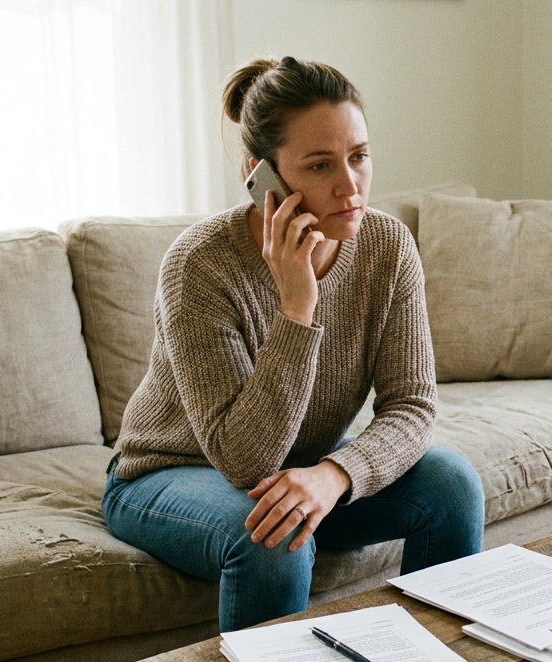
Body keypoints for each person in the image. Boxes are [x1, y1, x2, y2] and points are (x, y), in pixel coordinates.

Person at [101, 56, 485, 632]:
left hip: (303, 468)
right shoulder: (199, 265)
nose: (350, 187)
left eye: (359, 156)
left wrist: (335, 475)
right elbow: (244, 460)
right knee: (273, 535)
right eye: (320, 165)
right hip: (167, 472)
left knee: (452, 485)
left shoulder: (388, 247)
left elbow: (413, 406)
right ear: (264, 177)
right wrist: (297, 306)